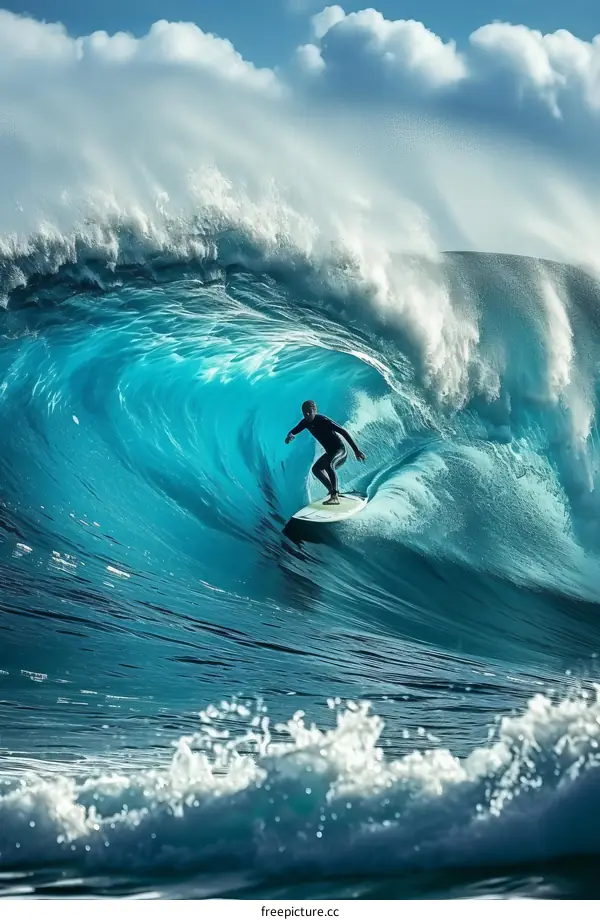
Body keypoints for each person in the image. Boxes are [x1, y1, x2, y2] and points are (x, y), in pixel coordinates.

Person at [285, 400, 366, 505]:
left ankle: (334, 496)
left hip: (340, 451)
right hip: (330, 453)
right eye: (305, 413)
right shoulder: (305, 422)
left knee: (329, 465)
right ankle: (332, 491)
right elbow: (294, 431)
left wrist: (356, 450)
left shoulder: (323, 420)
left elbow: (343, 431)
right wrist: (289, 436)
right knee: (316, 469)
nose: (307, 415)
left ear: (315, 411)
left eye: (309, 412)